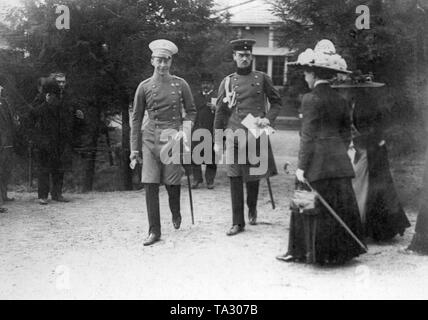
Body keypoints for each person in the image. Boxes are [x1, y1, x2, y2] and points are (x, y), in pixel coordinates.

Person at [277, 40, 365, 265]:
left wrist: (301, 167)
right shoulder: (341, 99)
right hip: (338, 162)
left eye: (306, 74)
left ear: (314, 74)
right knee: (339, 205)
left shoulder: (310, 99)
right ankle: (339, 253)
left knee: (303, 203)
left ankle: (298, 251)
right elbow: (347, 133)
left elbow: (307, 137)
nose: (305, 78)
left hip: (315, 163)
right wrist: (337, 150)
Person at [130, 39, 196, 246]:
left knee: (172, 183)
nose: (162, 65)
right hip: (150, 139)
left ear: (171, 62)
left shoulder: (180, 84)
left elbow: (192, 111)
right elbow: (137, 118)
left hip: (172, 138)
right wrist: (134, 148)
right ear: (152, 61)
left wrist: (185, 130)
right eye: (159, 60)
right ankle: (154, 231)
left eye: (166, 61)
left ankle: (175, 212)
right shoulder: (144, 87)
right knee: (149, 183)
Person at [332, 72, 411, 241]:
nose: (347, 91)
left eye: (351, 88)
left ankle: (366, 226)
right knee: (367, 186)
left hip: (371, 148)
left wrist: (357, 138)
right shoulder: (355, 102)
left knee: (367, 186)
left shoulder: (367, 104)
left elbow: (374, 129)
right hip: (364, 147)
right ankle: (368, 226)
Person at [214, 39, 281, 235]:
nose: (244, 58)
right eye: (241, 55)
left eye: (248, 55)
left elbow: (277, 102)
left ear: (251, 57)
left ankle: (252, 208)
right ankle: (237, 222)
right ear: (234, 57)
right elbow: (220, 112)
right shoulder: (227, 82)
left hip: (255, 133)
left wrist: (268, 119)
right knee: (234, 176)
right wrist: (218, 140)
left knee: (253, 177)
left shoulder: (262, 78)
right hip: (234, 134)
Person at [29, 79, 74, 204]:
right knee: (43, 170)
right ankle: (43, 196)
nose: (52, 97)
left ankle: (57, 194)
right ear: (46, 95)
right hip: (43, 144)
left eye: (54, 95)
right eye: (49, 95)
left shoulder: (61, 108)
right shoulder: (39, 107)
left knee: (58, 169)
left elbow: (66, 124)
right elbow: (30, 122)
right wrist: (37, 140)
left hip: (58, 143)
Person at [191, 72, 217, 189]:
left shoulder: (218, 97)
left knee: (211, 156)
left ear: (212, 85)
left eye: (208, 83)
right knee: (195, 154)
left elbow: (225, 113)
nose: (205, 86)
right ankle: (197, 179)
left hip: (212, 130)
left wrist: (216, 109)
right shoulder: (195, 97)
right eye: (203, 83)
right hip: (197, 130)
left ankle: (210, 180)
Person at [0, 82, 17, 210]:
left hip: (8, 141)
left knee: (5, 169)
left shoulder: (5, 103)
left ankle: (3, 195)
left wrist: (16, 122)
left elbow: (11, 121)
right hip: (1, 142)